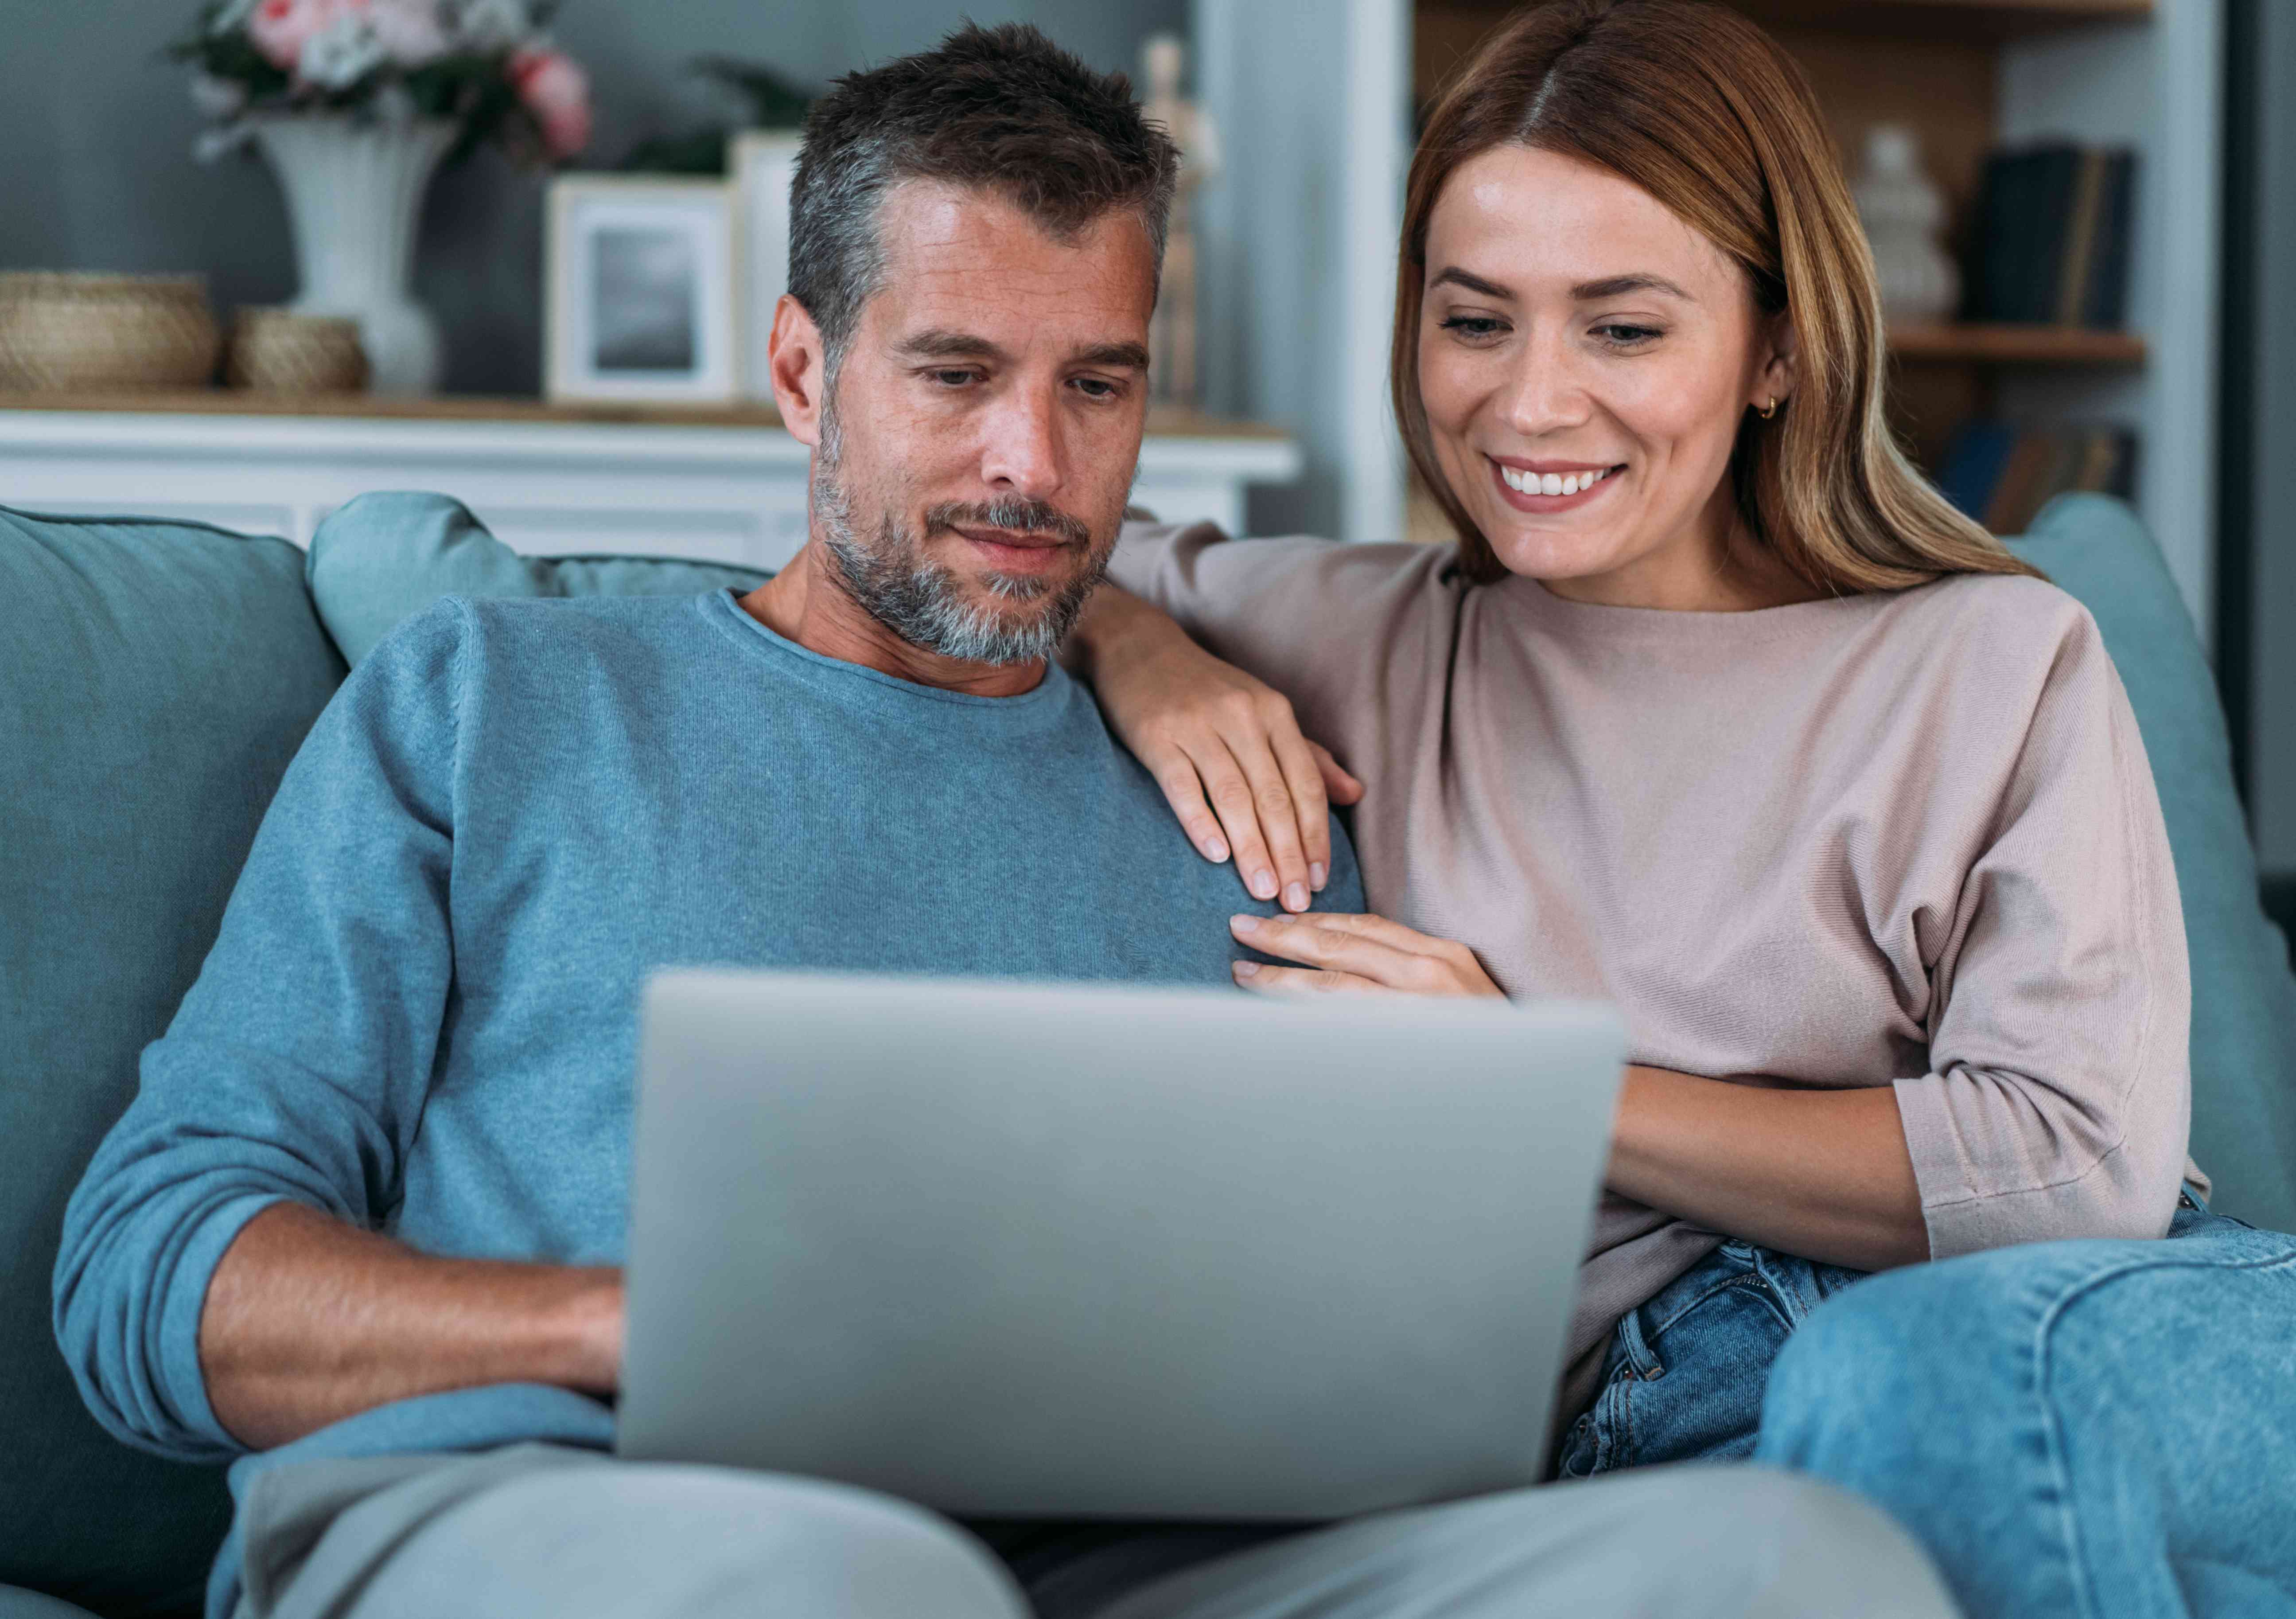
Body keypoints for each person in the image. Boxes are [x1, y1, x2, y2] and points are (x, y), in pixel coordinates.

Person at [52, 23, 1957, 1619]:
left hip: (1137, 1571)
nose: (1031, 469)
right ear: (803, 371)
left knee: (1792, 1558)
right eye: (954, 376)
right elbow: (150, 1276)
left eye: (1096, 385)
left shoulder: (1253, 791)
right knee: (851, 1583)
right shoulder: (497, 706)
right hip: (552, 1512)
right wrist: (634, 1318)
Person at [1069, 3, 2296, 1616]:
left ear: (1778, 349)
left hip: (2120, 1329)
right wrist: (1143, 648)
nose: (1530, 404)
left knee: (1908, 1407)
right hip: (1688, 1429)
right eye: (1475, 320)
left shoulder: (1990, 657)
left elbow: (2069, 1170)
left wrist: (1529, 1082)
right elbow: (1035, 554)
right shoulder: (1361, 632)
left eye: (1623, 329)